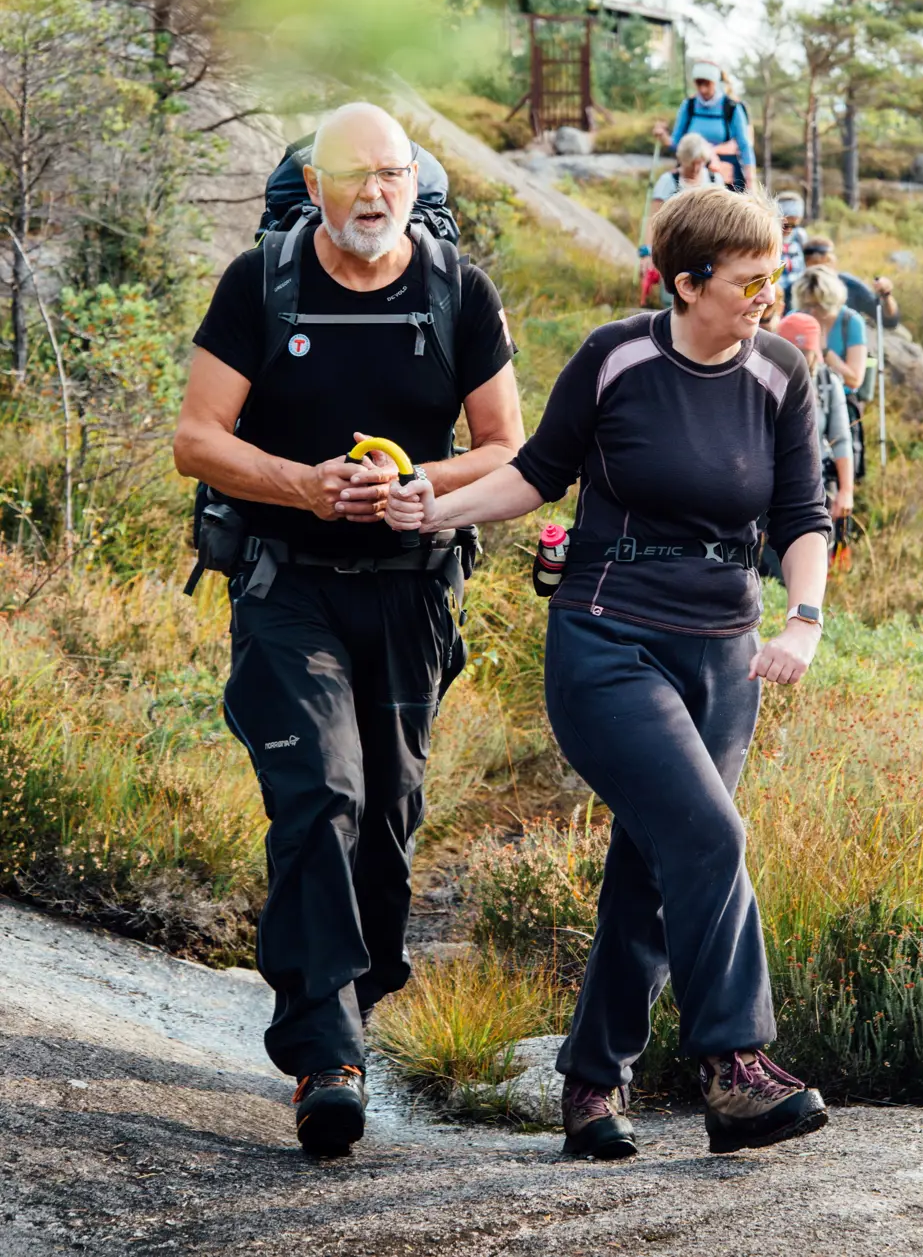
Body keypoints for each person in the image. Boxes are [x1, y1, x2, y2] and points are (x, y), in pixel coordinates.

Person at [387, 188, 832, 1161]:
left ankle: (593, 1083)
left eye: (776, 277)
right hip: (607, 638)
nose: (768, 294)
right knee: (710, 833)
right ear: (687, 283)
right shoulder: (617, 357)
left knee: (660, 862)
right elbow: (536, 473)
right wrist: (438, 510)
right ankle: (735, 1067)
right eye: (750, 281)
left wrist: (804, 618)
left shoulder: (782, 372)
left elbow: (803, 519)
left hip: (725, 654)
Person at [173, 102, 524, 1158]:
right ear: (315, 186)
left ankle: (351, 1001)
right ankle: (326, 1050)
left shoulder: (459, 290)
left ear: (415, 183)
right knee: (321, 789)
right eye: (351, 176)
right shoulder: (261, 284)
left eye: (391, 175)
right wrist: (303, 486)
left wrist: (416, 479)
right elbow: (197, 437)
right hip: (289, 582)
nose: (373, 194)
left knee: (388, 816)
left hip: (412, 590)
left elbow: (507, 444)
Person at [776, 312, 853, 521]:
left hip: (814, 489)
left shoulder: (828, 384)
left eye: (804, 351)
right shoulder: (762, 380)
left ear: (815, 350)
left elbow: (842, 439)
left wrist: (845, 491)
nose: (798, 358)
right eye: (791, 350)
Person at [654, 59, 756, 192]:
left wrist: (751, 182)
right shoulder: (689, 106)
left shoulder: (732, 108)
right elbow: (677, 143)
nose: (703, 89)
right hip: (691, 170)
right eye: (699, 84)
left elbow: (744, 145)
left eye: (707, 84)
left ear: (716, 82)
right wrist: (663, 137)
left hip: (724, 173)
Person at [802, 235, 900, 330]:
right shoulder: (796, 290)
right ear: (806, 263)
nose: (821, 269)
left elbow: (889, 321)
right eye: (815, 263)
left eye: (827, 261)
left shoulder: (851, 286)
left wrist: (886, 294)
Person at [648, 131, 724, 218]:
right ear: (682, 160)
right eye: (691, 164)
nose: (695, 168)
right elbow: (653, 219)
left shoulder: (715, 180)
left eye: (699, 163)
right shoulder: (667, 181)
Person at [777, 193, 806, 312]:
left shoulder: (799, 236)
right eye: (785, 225)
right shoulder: (770, 236)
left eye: (794, 225)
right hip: (778, 292)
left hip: (798, 291)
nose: (789, 229)